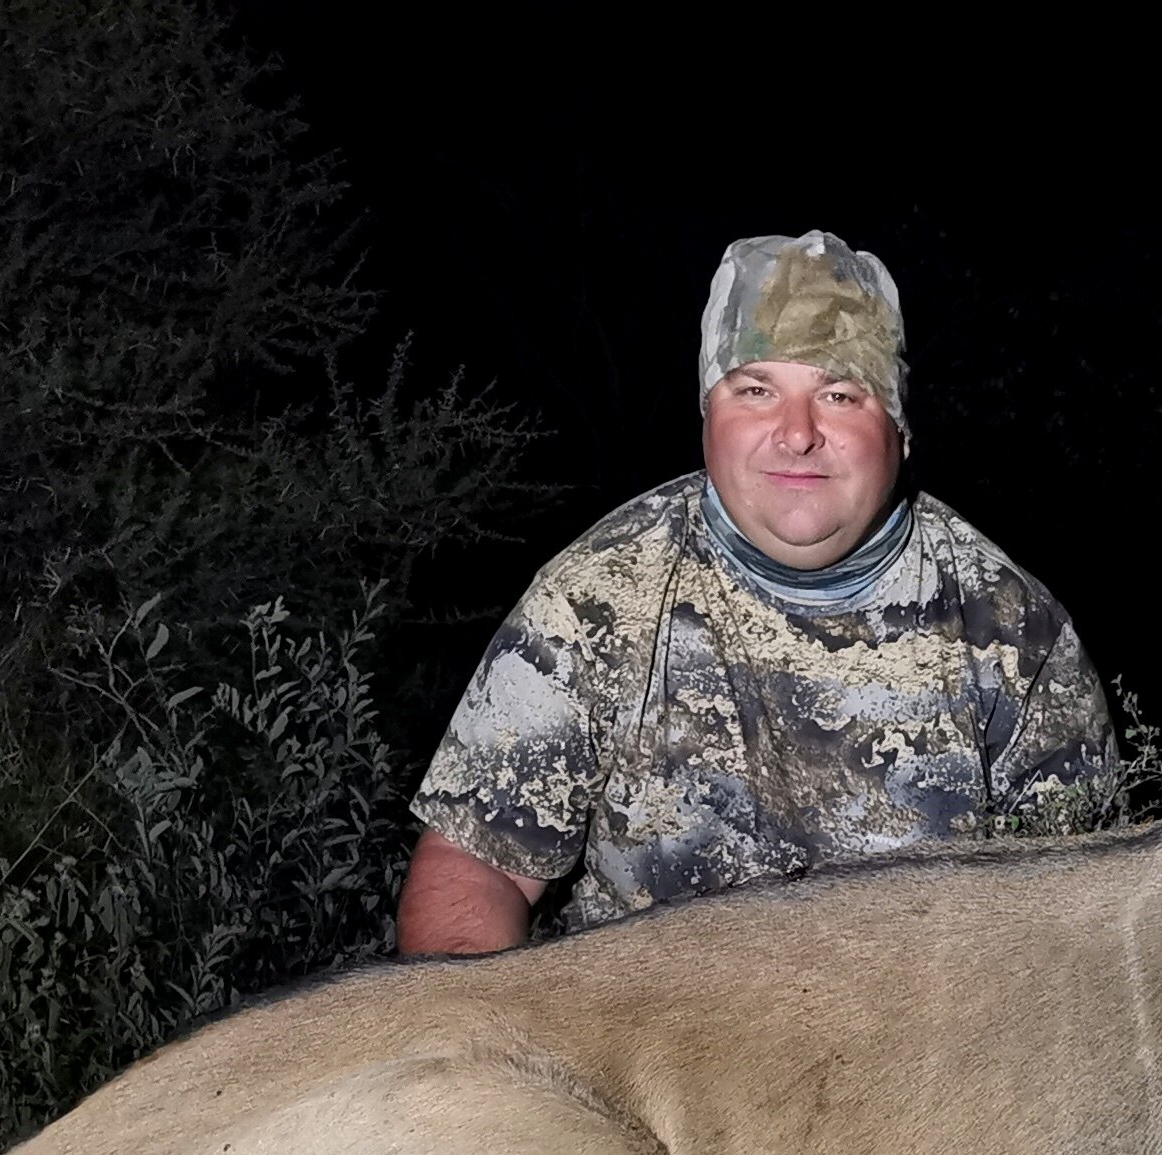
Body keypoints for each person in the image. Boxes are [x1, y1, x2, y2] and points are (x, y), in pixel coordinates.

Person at [397, 231, 1116, 954]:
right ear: (708, 414)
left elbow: (1073, 933)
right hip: (645, 1047)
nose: (797, 434)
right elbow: (474, 865)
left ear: (898, 430)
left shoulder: (1018, 635)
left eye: (839, 393)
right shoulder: (598, 595)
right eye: (755, 390)